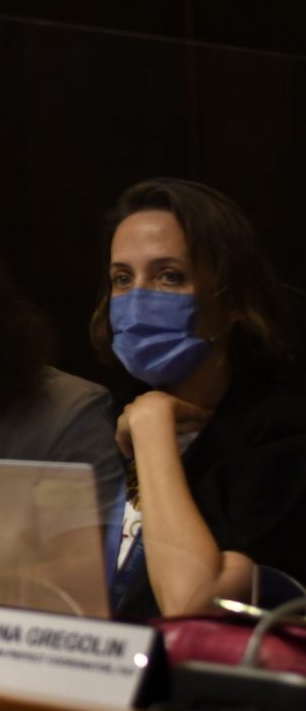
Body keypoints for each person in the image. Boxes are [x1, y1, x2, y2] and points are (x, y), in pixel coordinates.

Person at [93, 177, 306, 618]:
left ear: (232, 301)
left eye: (169, 276)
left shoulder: (281, 438)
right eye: (122, 279)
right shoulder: (101, 417)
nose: (137, 300)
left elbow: (188, 603)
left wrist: (153, 426)